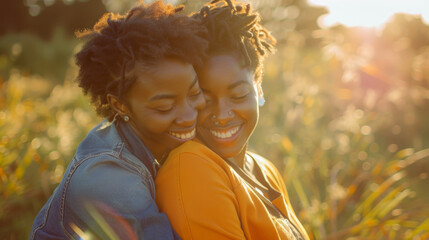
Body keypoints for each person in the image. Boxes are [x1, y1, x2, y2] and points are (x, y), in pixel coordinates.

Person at [30, 1, 208, 239]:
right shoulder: (108, 178)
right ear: (120, 105)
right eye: (165, 107)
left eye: (195, 93)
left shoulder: (157, 139)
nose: (189, 116)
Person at [155, 0, 310, 239]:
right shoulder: (189, 166)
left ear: (258, 90)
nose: (222, 114)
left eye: (238, 95)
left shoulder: (264, 169)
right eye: (205, 98)